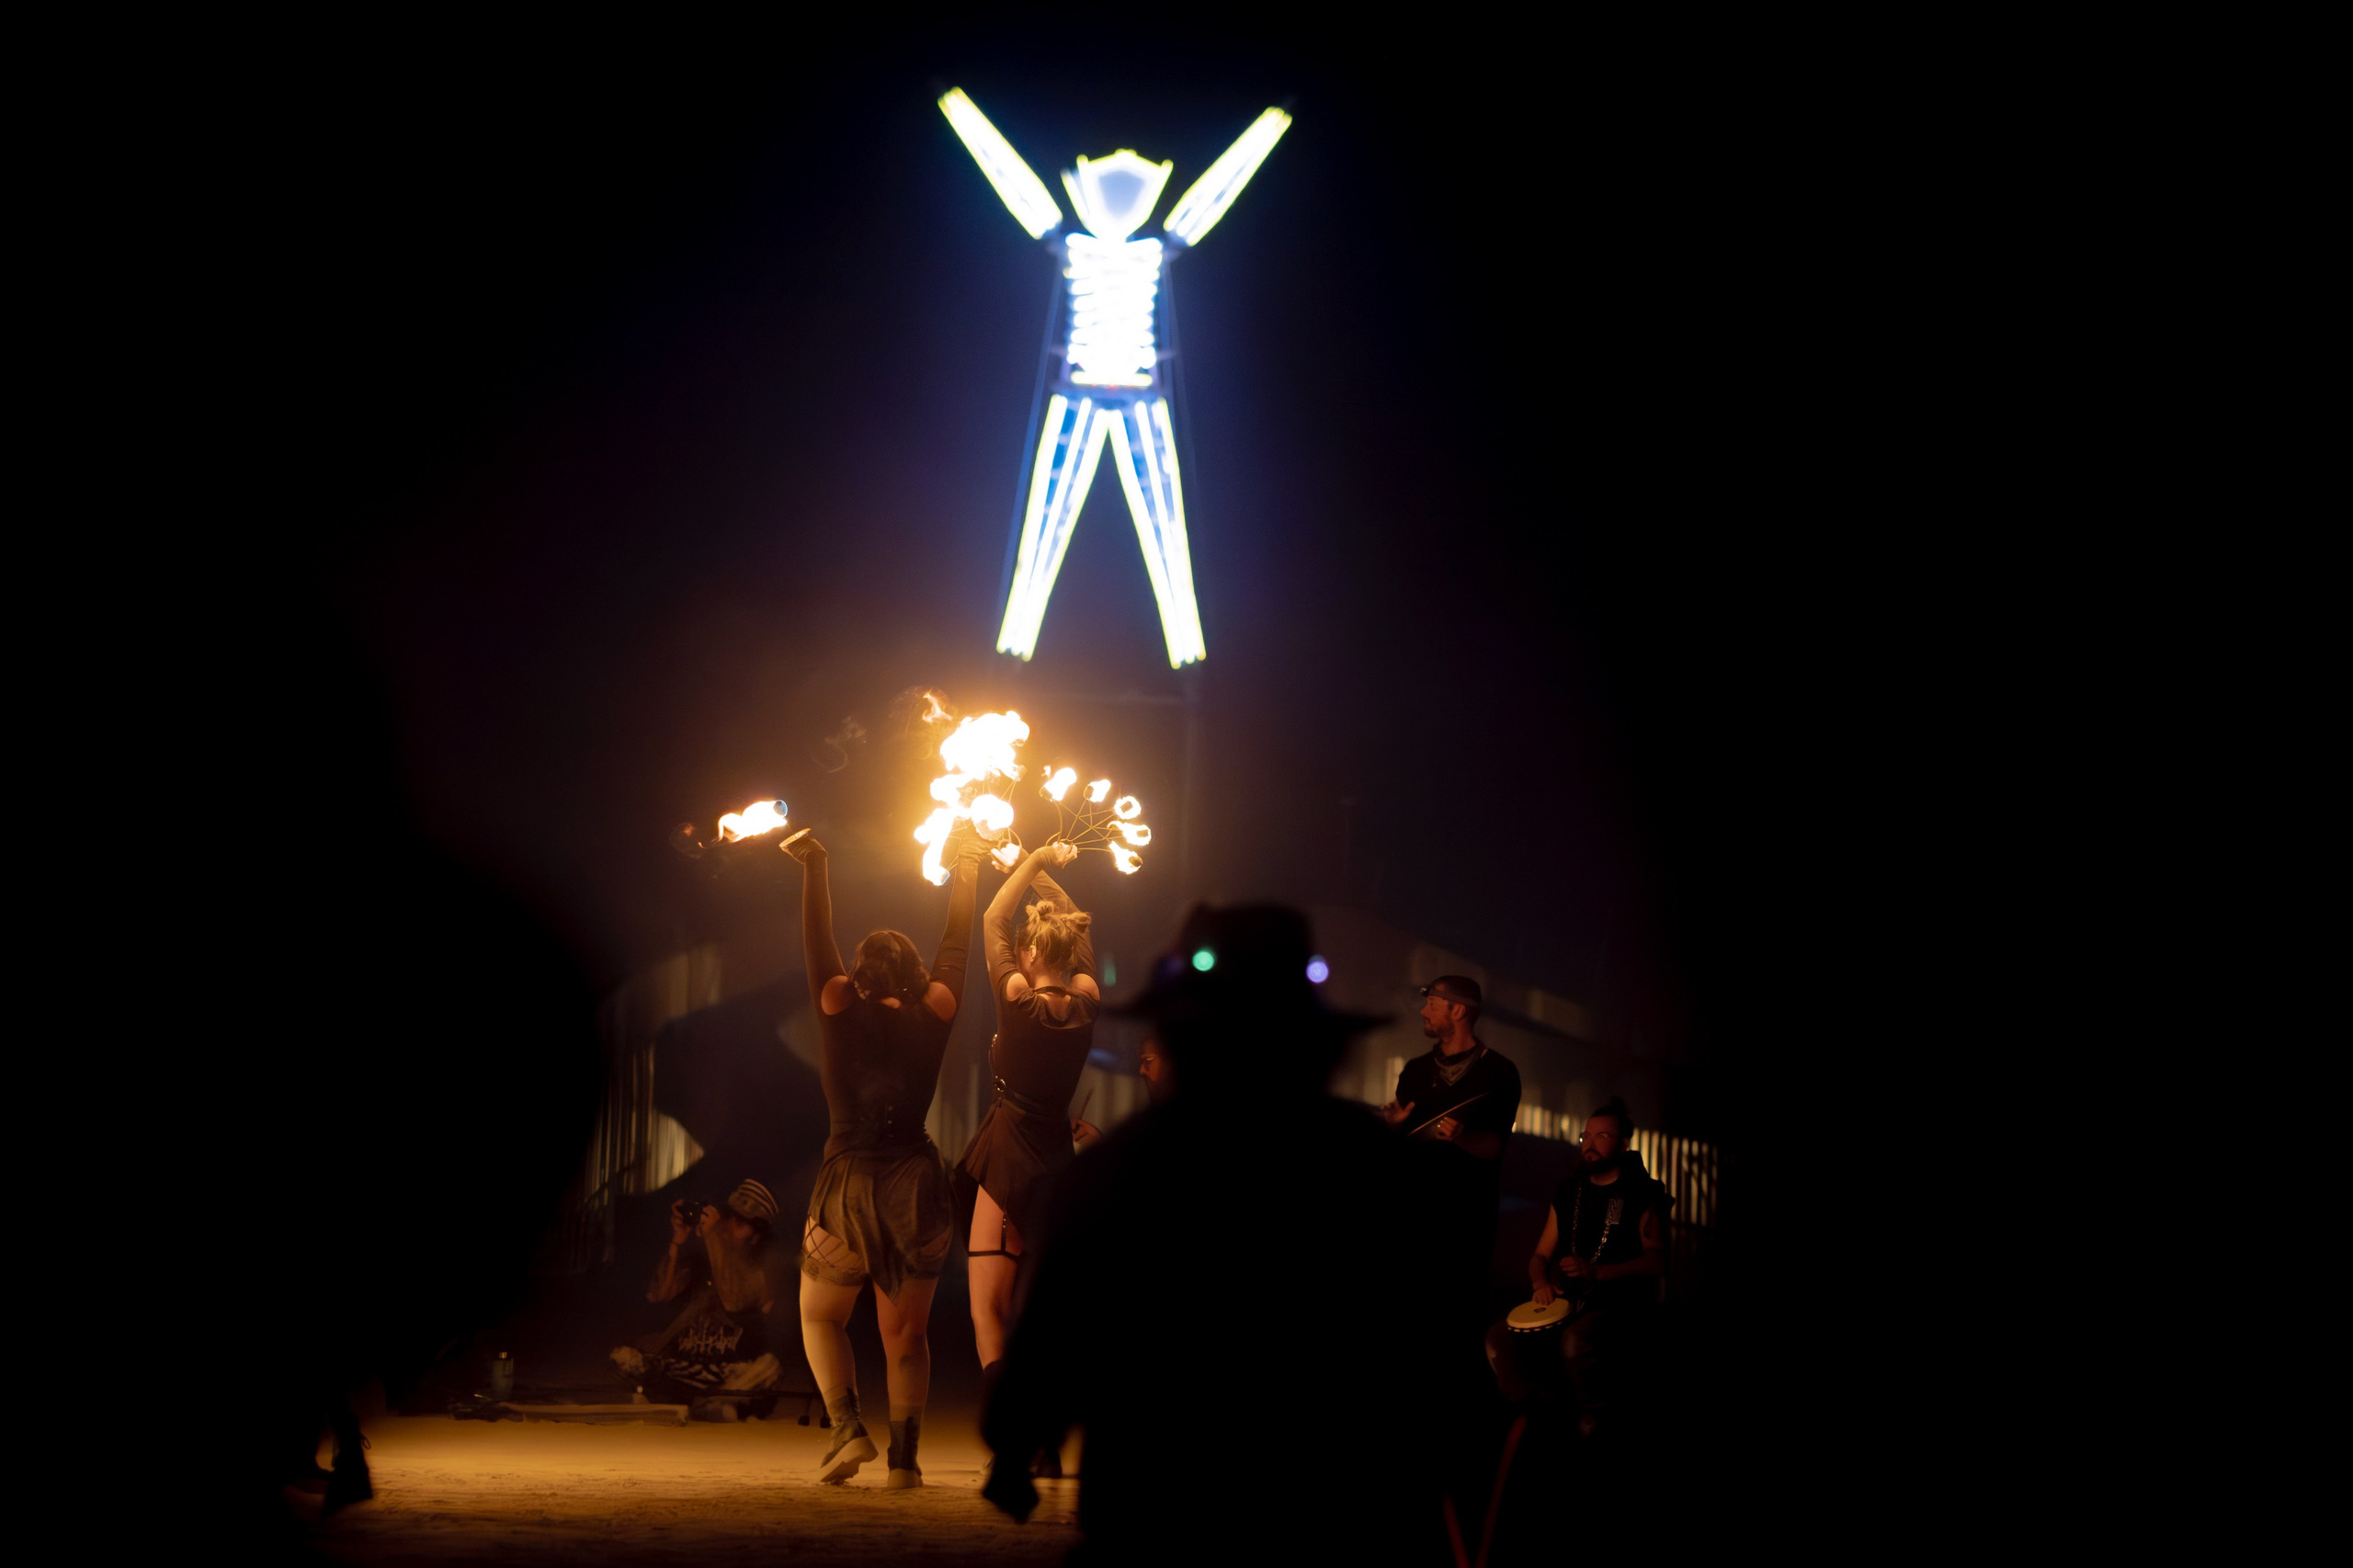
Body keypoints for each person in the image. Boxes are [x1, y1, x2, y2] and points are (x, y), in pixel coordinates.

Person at [981, 904, 1454, 1565]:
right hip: (1336, 1520)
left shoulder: (1121, 1168)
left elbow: (1054, 1334)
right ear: (1311, 1040)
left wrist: (1016, 1444)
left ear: (1178, 1039)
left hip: (1159, 1519)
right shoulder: (1371, 1164)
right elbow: (1431, 1335)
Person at [783, 829, 980, 1487]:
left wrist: (817, 862)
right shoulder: (937, 1008)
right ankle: (905, 1462)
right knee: (907, 1337)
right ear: (914, 973)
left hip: (848, 1181)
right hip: (915, 1185)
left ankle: (845, 1430)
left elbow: (818, 942)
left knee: (818, 1314)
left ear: (859, 974)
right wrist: (969, 866)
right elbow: (958, 944)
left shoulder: (837, 1003)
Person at [954, 841, 1102, 1388]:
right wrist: (1034, 865)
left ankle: (1011, 1429)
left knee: (987, 1310)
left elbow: (994, 916)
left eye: (1021, 955)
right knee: (1037, 1313)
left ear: (1032, 958)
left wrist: (1036, 858)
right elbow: (1074, 928)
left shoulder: (1017, 1000)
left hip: (1008, 1154)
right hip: (1057, 1161)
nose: (1013, 962)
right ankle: (1043, 1437)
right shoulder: (1086, 999)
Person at [1484, 1097, 1668, 1426]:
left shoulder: (1642, 1193)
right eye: (1586, 1136)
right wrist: (1540, 1282)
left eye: (1602, 1136)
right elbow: (1540, 1255)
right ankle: (1531, 1412)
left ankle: (1593, 1417)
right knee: (1499, 1337)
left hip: (1619, 1300)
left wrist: (1598, 1272)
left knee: (1574, 1341)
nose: (1590, 1144)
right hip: (1569, 1296)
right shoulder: (1569, 1191)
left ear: (1623, 1144)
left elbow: (1656, 1262)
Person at [1381, 975, 1523, 1324]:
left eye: (1432, 1003)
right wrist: (1392, 1129)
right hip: (1412, 1219)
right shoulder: (1415, 1071)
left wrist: (1463, 1137)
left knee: (1455, 1316)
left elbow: (1494, 1148)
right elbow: (1397, 1150)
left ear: (1458, 1010)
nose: (1423, 1012)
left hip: (1465, 1224)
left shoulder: (1499, 1073)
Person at [612, 1179, 788, 1415]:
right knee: (624, 1356)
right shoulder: (705, 1258)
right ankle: (697, 1403)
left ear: (757, 1235)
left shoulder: (765, 1269)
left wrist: (712, 1236)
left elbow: (734, 1299)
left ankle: (713, 1405)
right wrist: (678, 1241)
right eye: (730, 1217)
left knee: (768, 1369)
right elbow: (659, 1294)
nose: (730, 1227)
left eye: (742, 1223)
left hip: (733, 1372)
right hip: (689, 1366)